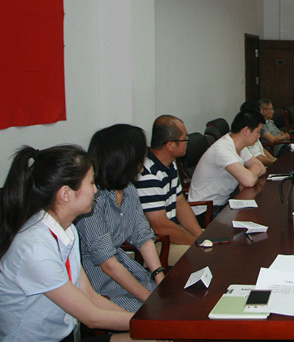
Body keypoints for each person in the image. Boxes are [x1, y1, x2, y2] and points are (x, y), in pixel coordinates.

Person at [0, 145, 155, 342]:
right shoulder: (34, 248)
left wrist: (143, 324)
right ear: (66, 194)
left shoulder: (68, 230)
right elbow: (92, 317)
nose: (96, 190)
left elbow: (90, 296)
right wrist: (152, 325)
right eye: (91, 183)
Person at [75, 124, 165, 313]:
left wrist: (159, 276)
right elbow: (108, 264)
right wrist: (149, 298)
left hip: (127, 273)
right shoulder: (93, 199)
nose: (144, 159)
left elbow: (142, 235)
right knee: (155, 314)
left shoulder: (128, 189)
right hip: (101, 285)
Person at [134, 115, 203, 266]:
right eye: (184, 139)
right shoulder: (148, 174)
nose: (187, 143)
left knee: (218, 242)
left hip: (172, 232)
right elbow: (160, 226)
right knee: (204, 255)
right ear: (170, 145)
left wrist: (200, 235)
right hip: (155, 243)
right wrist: (196, 243)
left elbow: (180, 204)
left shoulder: (170, 163)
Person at [187, 109, 266, 222]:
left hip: (222, 203)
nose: (259, 136)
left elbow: (260, 167)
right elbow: (249, 181)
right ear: (246, 130)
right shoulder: (223, 149)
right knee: (253, 220)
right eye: (258, 132)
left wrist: (249, 175)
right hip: (205, 210)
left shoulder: (239, 145)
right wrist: (248, 177)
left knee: (257, 214)